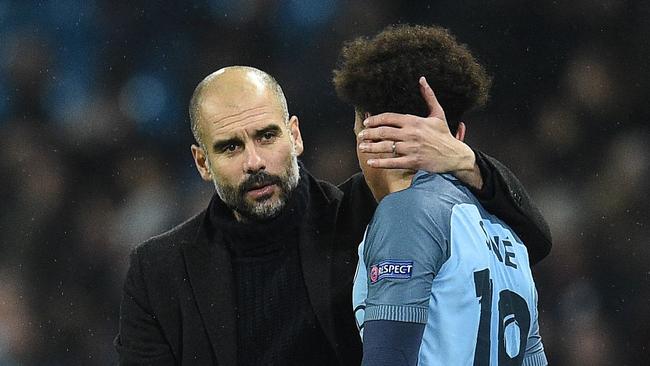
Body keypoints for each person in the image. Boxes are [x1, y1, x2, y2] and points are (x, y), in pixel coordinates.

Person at [114, 65, 550, 365]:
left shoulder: (367, 213)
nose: (254, 161)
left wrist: (464, 160)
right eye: (230, 146)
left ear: (295, 135)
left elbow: (536, 236)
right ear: (201, 162)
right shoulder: (159, 272)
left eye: (267, 136)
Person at [335, 25, 548, 365]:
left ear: (368, 130)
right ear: (458, 134)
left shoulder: (405, 214)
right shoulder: (508, 231)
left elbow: (389, 357)